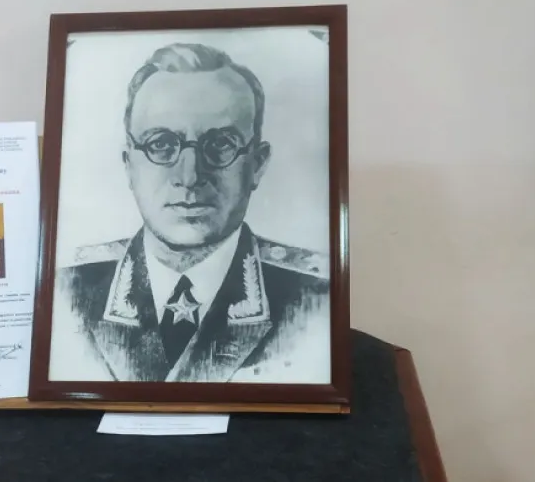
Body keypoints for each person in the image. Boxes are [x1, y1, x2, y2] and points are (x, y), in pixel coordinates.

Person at [50, 42, 330, 384]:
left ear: (257, 165)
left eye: (221, 145)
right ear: (129, 165)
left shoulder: (318, 299)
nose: (190, 176)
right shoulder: (65, 292)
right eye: (160, 144)